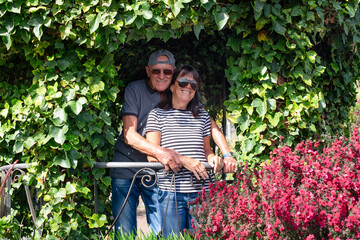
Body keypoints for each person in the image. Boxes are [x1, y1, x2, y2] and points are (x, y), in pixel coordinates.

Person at [110, 50, 237, 239]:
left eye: (167, 72)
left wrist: (225, 155)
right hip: (134, 168)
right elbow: (130, 135)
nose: (161, 76)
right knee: (127, 231)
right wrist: (177, 158)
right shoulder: (140, 94)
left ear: (173, 74)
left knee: (162, 231)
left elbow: (211, 134)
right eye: (156, 71)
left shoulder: (192, 105)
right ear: (148, 71)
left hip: (166, 175)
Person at [145, 64, 235, 237]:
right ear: (172, 85)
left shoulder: (201, 115)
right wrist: (184, 160)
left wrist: (213, 158)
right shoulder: (157, 115)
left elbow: (207, 150)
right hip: (171, 191)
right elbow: (151, 156)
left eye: (193, 85)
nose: (188, 87)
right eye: (184, 82)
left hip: (202, 189)